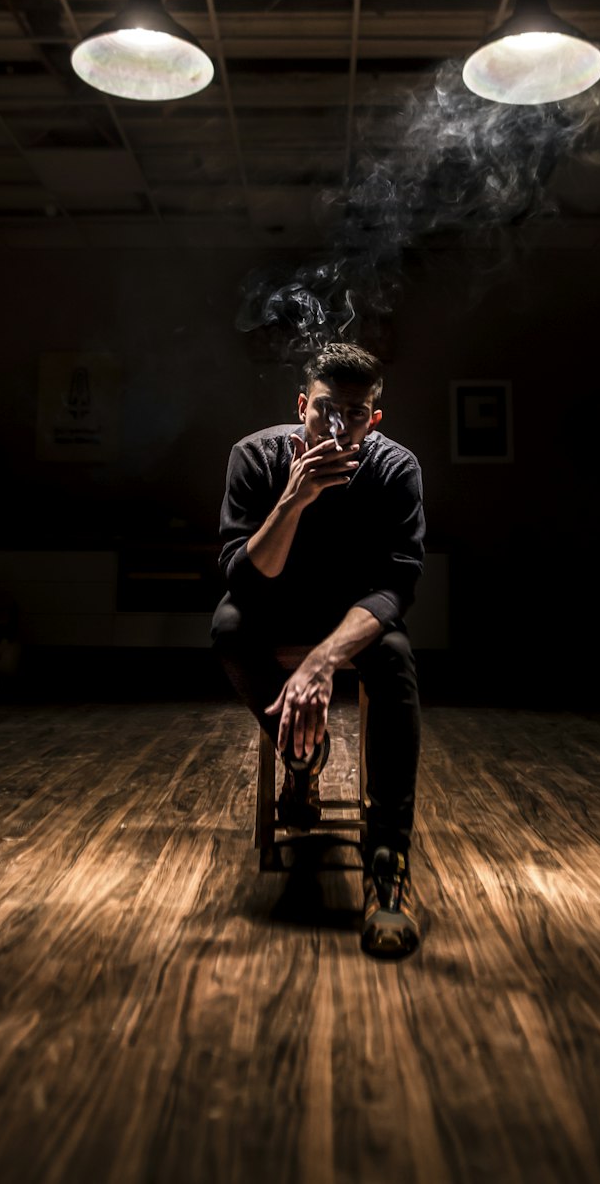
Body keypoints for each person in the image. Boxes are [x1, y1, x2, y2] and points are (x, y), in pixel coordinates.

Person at [211, 342, 424, 959]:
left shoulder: (394, 469)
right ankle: (302, 755)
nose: (337, 426)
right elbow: (246, 581)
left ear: (373, 419)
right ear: (301, 404)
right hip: (274, 604)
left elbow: (395, 589)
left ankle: (387, 864)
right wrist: (295, 498)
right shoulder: (255, 457)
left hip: (354, 616)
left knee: (396, 660)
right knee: (228, 626)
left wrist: (321, 660)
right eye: (325, 409)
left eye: (354, 415)